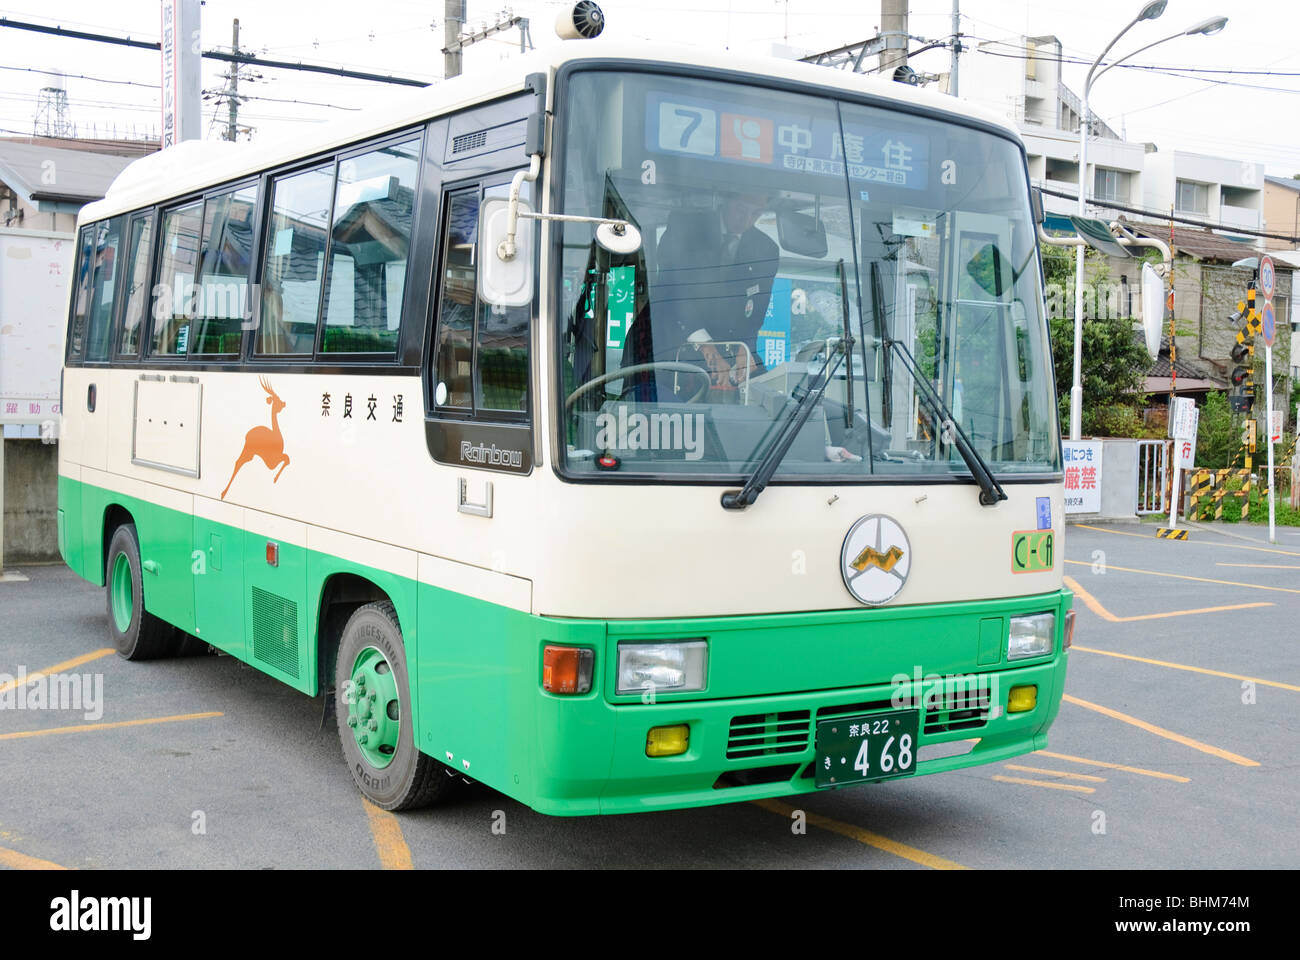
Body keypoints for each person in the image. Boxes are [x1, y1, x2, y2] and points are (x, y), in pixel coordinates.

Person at [622, 190, 780, 400]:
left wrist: (746, 349)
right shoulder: (685, 226)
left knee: (769, 401)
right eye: (741, 210)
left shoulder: (766, 249)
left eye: (756, 214)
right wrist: (706, 346)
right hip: (663, 344)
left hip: (723, 349)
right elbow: (673, 290)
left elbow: (756, 312)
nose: (746, 220)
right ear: (725, 200)